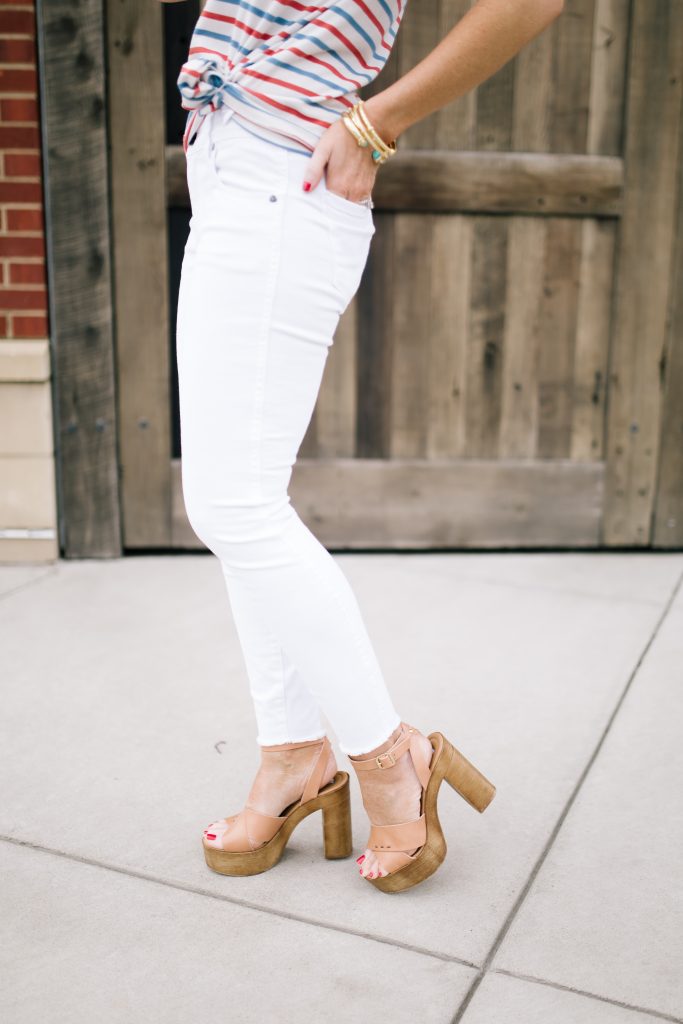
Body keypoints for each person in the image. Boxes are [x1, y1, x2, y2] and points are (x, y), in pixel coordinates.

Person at [161, 0, 564, 893]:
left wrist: (379, 117)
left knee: (234, 506)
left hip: (284, 171)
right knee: (241, 503)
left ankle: (391, 760)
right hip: (234, 165)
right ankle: (292, 755)